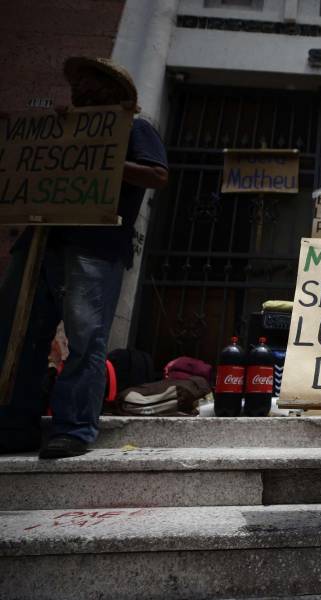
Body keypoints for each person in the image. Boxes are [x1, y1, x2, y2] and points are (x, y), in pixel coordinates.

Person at [0, 57, 168, 458]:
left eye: (92, 84)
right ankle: (15, 426)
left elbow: (157, 175)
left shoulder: (133, 128)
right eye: (78, 84)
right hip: (40, 243)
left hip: (94, 249)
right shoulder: (63, 130)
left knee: (84, 340)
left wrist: (103, 156)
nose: (82, 90)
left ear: (116, 93)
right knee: (19, 336)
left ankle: (73, 428)